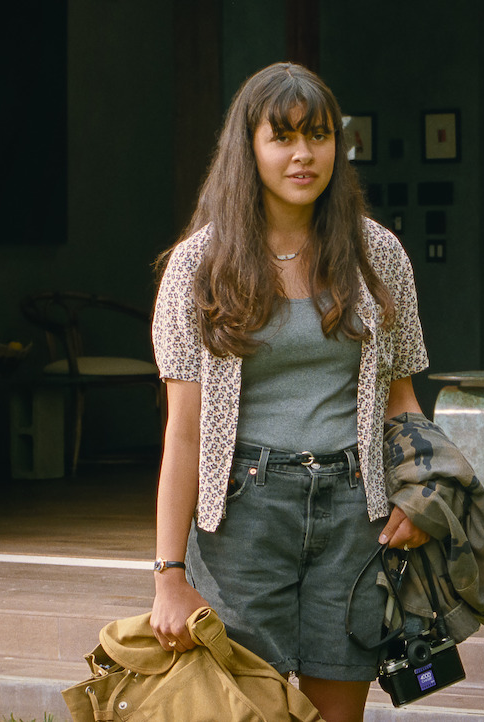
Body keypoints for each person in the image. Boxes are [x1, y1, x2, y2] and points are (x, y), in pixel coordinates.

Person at [148, 62, 431, 722]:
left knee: (339, 713)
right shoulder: (199, 265)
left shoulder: (377, 254)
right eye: (283, 137)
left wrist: (423, 492)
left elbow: (403, 400)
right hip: (245, 514)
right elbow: (184, 433)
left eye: (321, 135)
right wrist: (168, 574)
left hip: (355, 514)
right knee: (247, 709)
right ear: (247, 149)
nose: (304, 154)